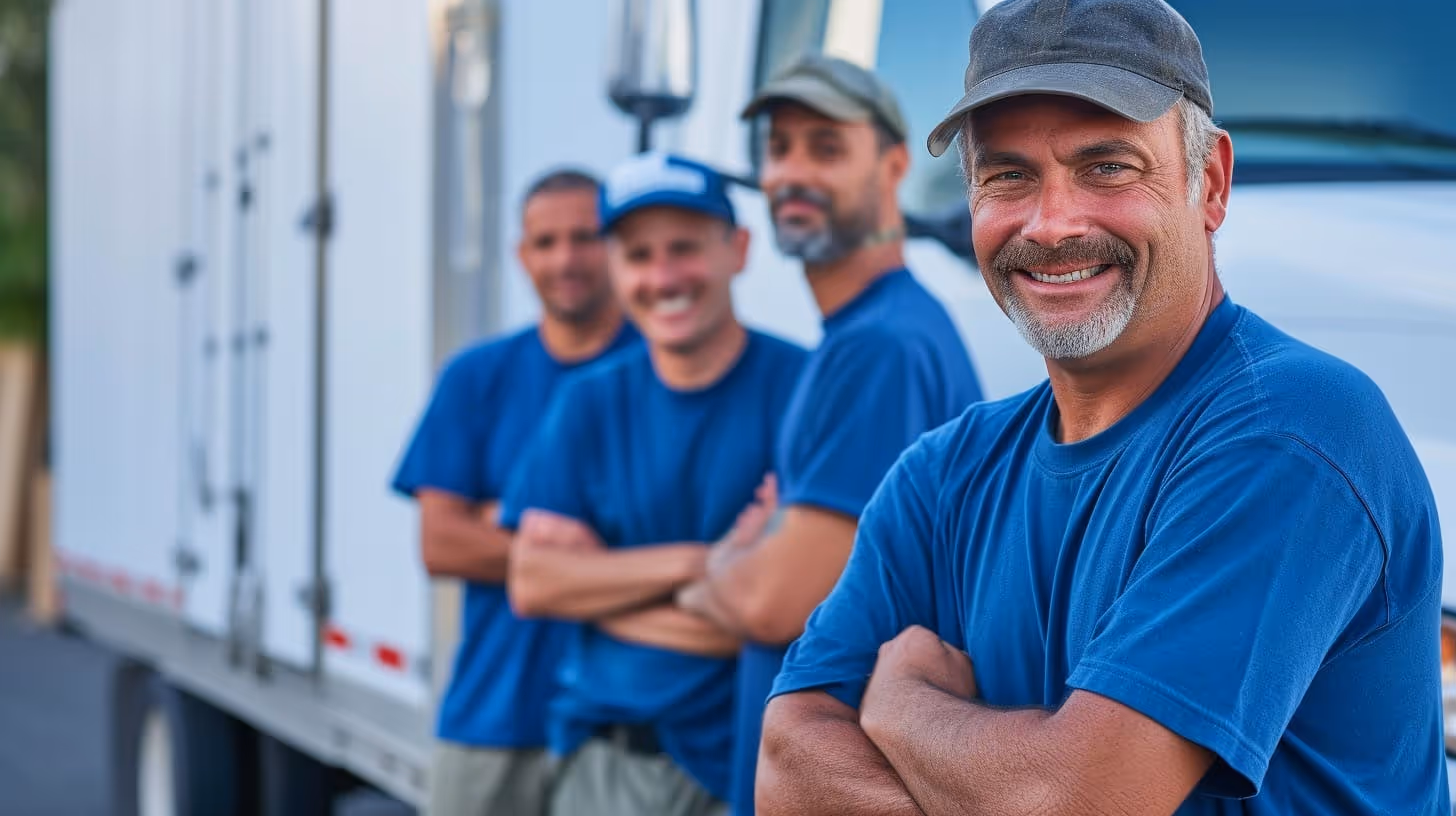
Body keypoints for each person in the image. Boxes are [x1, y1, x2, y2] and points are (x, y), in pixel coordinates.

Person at [756, 1, 1450, 814]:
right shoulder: (941, 478)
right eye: (1008, 175)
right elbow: (784, 771)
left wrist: (900, 704)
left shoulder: (1293, 428)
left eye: (1108, 167)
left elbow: (1077, 803)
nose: (1051, 225)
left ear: (1212, 183)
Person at [673, 54, 984, 816]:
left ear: (894, 166)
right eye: (779, 148)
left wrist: (720, 564)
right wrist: (753, 557)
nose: (790, 172)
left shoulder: (880, 348)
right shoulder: (856, 337)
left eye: (826, 147)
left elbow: (773, 603)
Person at [500, 152, 808, 816]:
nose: (663, 276)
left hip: (754, 764)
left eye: (684, 249)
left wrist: (601, 588)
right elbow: (534, 583)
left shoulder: (803, 390)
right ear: (615, 270)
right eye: (638, 255)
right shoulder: (589, 403)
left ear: (740, 249)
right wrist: (708, 564)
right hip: (610, 771)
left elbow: (783, 610)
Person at [391, 169, 638, 816]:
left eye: (585, 238)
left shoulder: (663, 370)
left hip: (627, 729)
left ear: (616, 245)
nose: (566, 260)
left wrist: (501, 523)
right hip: (495, 717)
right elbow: (441, 543)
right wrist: (612, 557)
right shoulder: (478, 376)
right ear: (521, 255)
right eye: (546, 242)